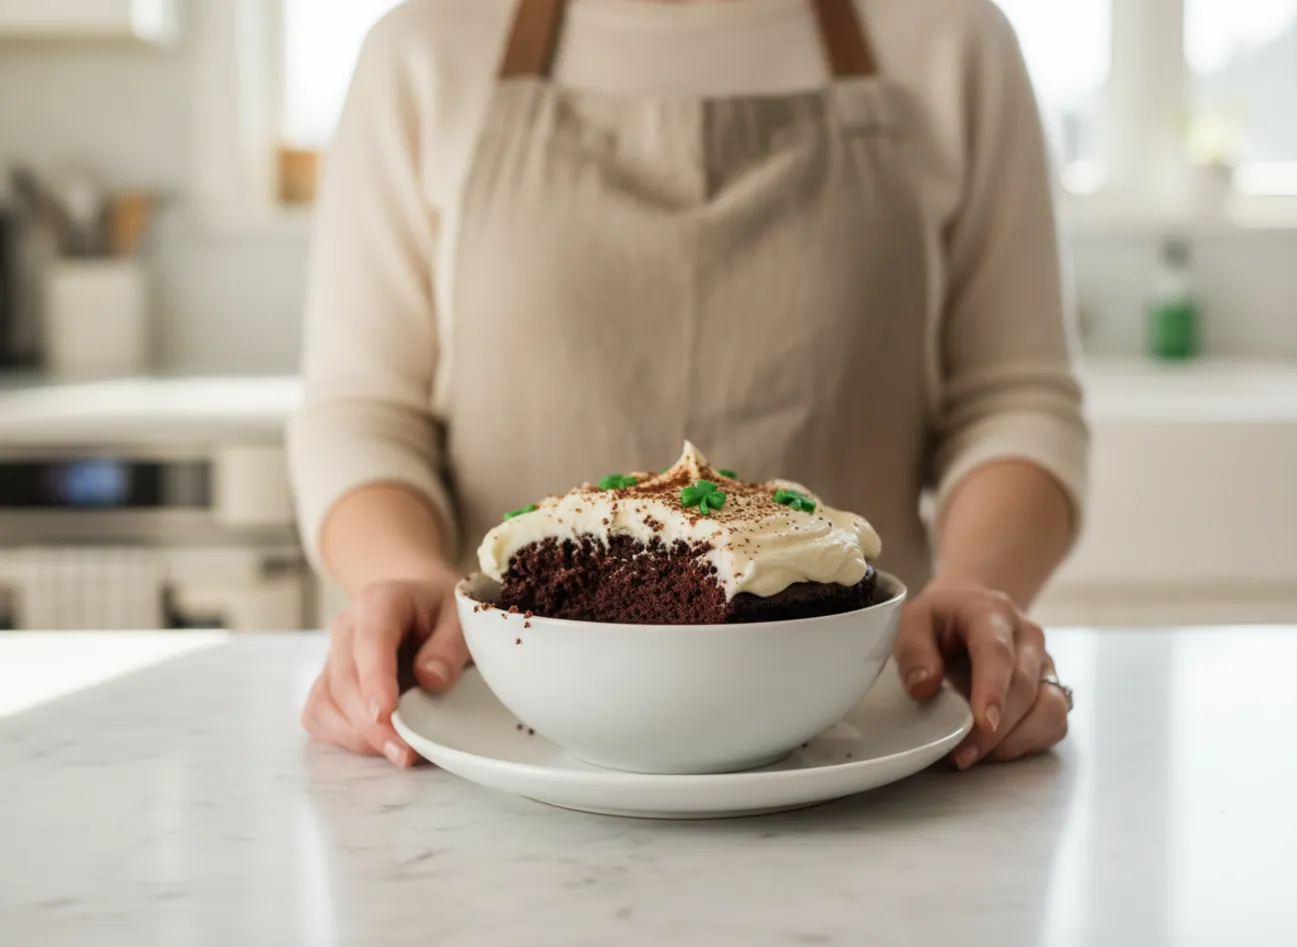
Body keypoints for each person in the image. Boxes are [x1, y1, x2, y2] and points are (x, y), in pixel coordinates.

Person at [289, 0, 1087, 771]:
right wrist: (406, 577)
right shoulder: (425, 46)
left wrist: (973, 589)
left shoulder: (952, 36)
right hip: (494, 722)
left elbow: (1015, 401)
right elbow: (363, 412)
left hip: (866, 721)